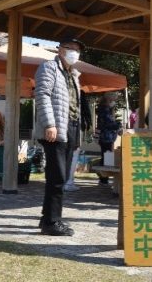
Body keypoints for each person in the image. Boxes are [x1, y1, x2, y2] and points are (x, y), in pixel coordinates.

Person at [35, 37, 85, 236]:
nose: (74, 52)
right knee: (57, 176)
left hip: (71, 126)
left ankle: (46, 217)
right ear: (60, 50)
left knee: (60, 176)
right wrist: (50, 124)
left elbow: (74, 104)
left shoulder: (74, 74)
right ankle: (52, 222)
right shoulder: (49, 67)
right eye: (70, 48)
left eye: (77, 49)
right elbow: (42, 94)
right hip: (56, 128)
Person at [64, 90, 92, 192]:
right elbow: (86, 111)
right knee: (73, 154)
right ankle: (68, 181)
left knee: (67, 155)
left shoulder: (66, 91)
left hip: (66, 128)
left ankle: (66, 181)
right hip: (74, 127)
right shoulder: (78, 93)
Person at [96, 92, 122, 186]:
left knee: (105, 157)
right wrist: (118, 125)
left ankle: (103, 179)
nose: (114, 102)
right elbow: (108, 123)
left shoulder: (103, 108)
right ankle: (103, 179)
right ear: (109, 100)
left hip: (106, 136)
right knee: (107, 157)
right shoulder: (105, 109)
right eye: (113, 100)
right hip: (107, 137)